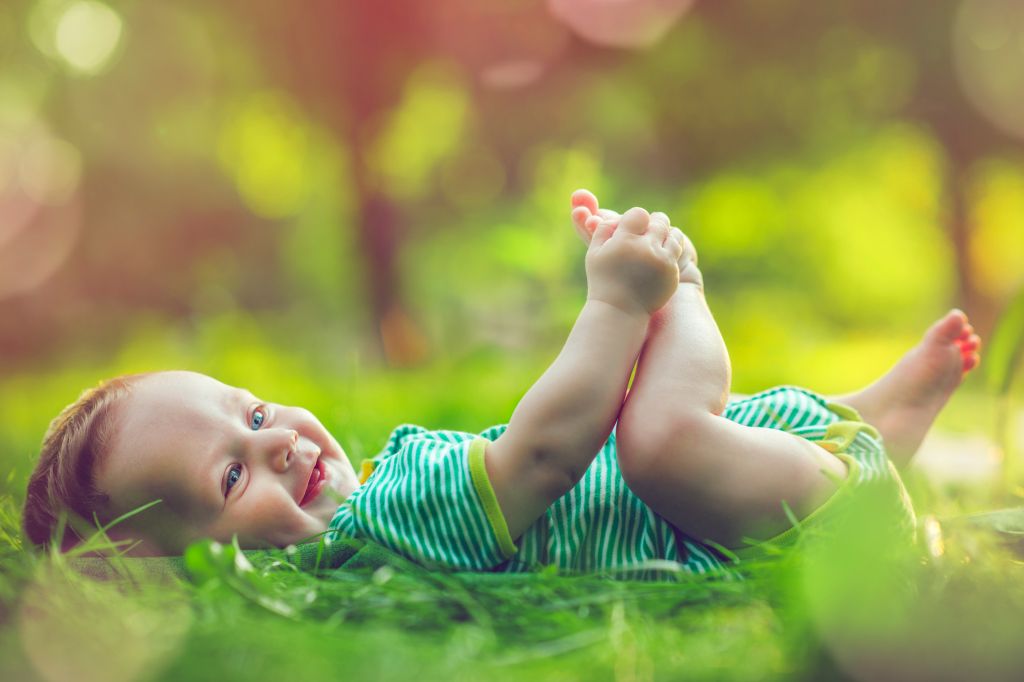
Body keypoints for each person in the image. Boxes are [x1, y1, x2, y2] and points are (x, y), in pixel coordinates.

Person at [22, 190, 981, 576]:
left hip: (754, 495)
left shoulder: (372, 516)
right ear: (196, 571)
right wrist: (619, 308)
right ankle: (685, 291)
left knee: (696, 439)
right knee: (657, 443)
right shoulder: (380, 530)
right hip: (743, 524)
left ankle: (862, 426)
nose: (277, 444)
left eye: (254, 412)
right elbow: (549, 449)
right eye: (232, 478)